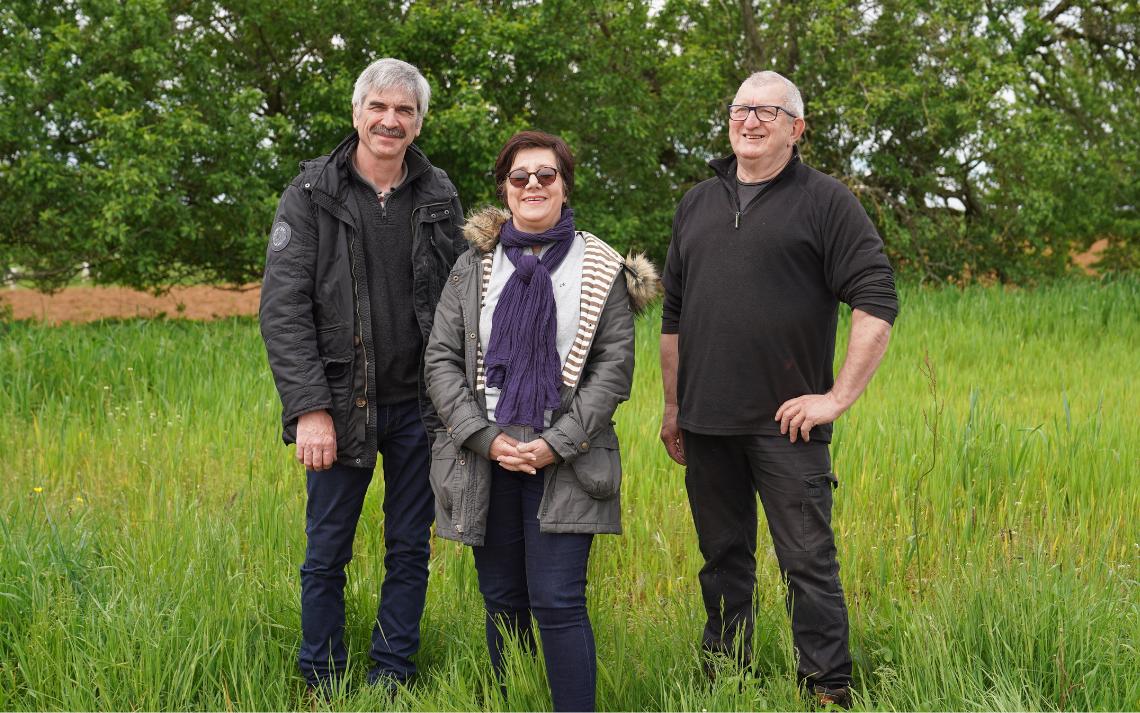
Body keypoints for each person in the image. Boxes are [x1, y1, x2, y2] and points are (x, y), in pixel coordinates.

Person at [659, 71, 899, 708]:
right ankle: (727, 679)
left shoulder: (826, 202)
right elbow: (674, 317)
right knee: (722, 559)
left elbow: (876, 299)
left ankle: (826, 689)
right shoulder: (696, 203)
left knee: (807, 564)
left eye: (769, 111)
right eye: (741, 108)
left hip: (787, 427)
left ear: (797, 129)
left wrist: (836, 398)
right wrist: (673, 406)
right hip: (706, 425)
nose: (751, 120)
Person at [424, 130, 658, 711]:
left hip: (569, 453)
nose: (533, 185)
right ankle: (512, 699)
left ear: (563, 186)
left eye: (546, 175)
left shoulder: (602, 268)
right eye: (520, 176)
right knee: (502, 597)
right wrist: (484, 438)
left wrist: (556, 443)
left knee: (557, 600)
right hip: (489, 451)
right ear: (504, 188)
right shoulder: (472, 266)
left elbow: (613, 369)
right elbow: (441, 357)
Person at [258, 58, 466, 695]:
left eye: (404, 111)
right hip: (342, 405)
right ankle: (321, 677)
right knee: (326, 553)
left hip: (420, 408)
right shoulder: (312, 192)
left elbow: (464, 301)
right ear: (357, 114)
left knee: (409, 548)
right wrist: (309, 409)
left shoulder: (438, 194)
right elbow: (283, 308)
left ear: (418, 122)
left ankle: (392, 674)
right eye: (379, 107)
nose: (390, 120)